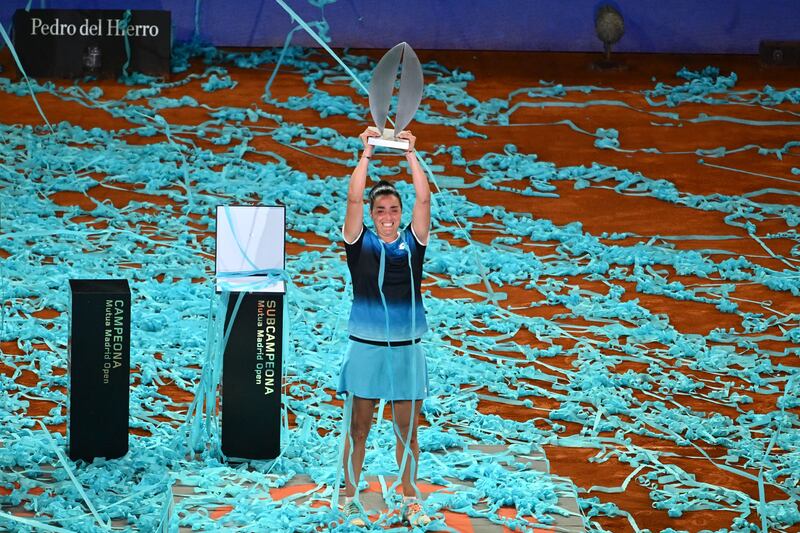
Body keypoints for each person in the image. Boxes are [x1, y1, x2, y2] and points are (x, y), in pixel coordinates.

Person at [337, 127, 432, 528]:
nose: (389, 216)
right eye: (381, 211)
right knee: (358, 427)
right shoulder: (358, 243)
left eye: (394, 210)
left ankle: (410, 497)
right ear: (372, 216)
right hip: (367, 349)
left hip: (407, 351)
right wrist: (367, 153)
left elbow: (424, 198)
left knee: (407, 431)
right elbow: (353, 196)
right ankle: (348, 494)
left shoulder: (415, 243)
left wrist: (411, 153)